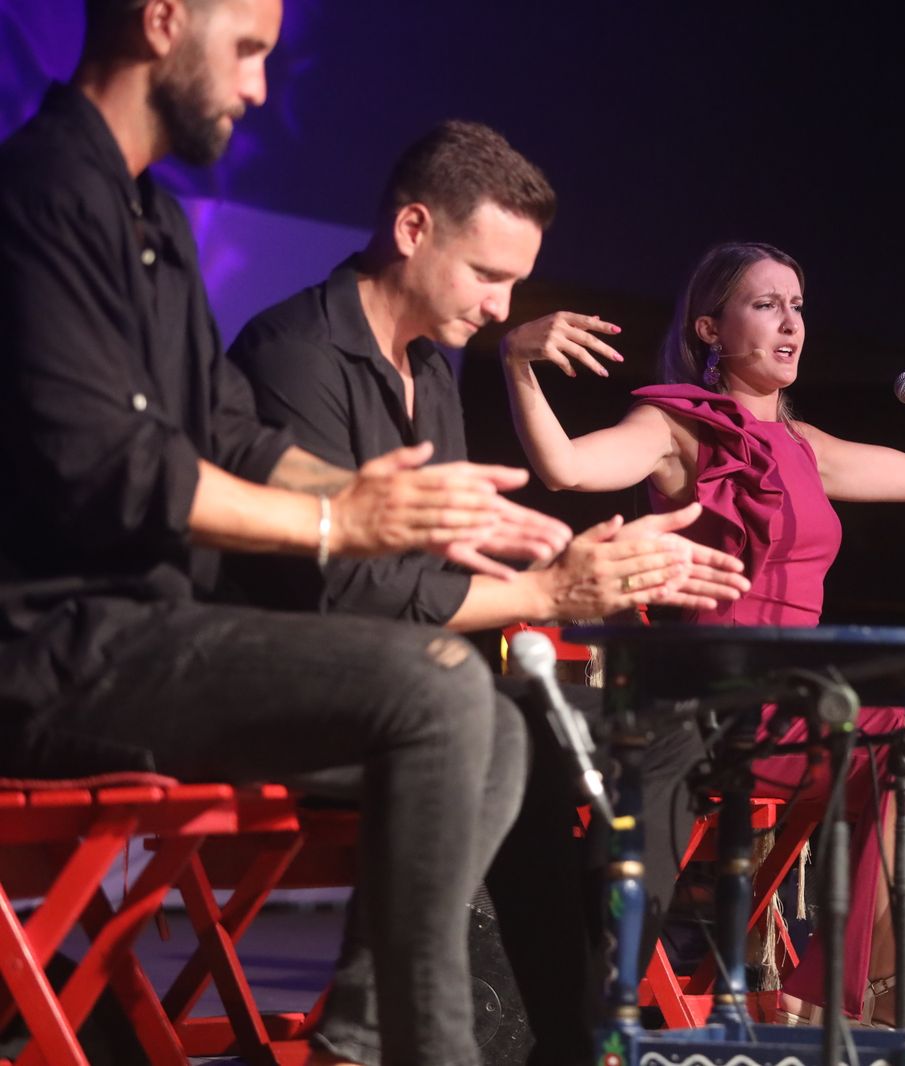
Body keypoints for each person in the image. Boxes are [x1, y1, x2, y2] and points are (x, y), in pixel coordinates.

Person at [0, 3, 641, 1064]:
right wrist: (341, 518)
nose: (259, 86)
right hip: (55, 651)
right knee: (448, 691)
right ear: (162, 21)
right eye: (248, 49)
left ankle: (359, 1044)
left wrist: (391, 502)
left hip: (145, 638)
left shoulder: (153, 220)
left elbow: (230, 437)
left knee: (497, 731)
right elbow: (106, 463)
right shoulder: (40, 193)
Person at [226, 119, 750, 1066]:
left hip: (426, 679)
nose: (505, 308)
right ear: (413, 229)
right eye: (488, 275)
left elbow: (442, 565)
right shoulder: (294, 354)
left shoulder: (429, 368)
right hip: (304, 687)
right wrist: (550, 591)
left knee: (640, 729)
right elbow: (352, 596)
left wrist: (587, 562)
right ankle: (473, 1031)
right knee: (507, 731)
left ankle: (573, 1025)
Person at [498, 239, 905, 1031]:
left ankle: (869, 986)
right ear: (710, 329)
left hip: (800, 701)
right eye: (766, 305)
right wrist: (517, 363)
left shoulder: (804, 445)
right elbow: (565, 467)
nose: (792, 324)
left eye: (797, 307)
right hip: (713, 705)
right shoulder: (675, 426)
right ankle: (888, 991)